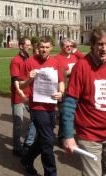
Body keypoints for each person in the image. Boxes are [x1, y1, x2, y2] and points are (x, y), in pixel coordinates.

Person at [62, 24, 106, 176]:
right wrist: (68, 136)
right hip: (89, 134)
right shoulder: (82, 66)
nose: (104, 48)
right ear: (92, 45)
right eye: (100, 44)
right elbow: (70, 103)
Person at [20, 36, 64, 176]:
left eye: (47, 47)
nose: (44, 50)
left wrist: (61, 92)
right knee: (48, 142)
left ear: (51, 47)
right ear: (37, 48)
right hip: (37, 107)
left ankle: (26, 158)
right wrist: (29, 78)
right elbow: (20, 85)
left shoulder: (55, 62)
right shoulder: (29, 62)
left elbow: (61, 81)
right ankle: (51, 173)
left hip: (51, 107)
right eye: (41, 47)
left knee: (43, 139)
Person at [9, 37, 36, 157]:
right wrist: (21, 94)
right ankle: (16, 147)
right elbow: (15, 80)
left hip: (30, 94)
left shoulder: (30, 59)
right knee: (18, 122)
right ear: (21, 46)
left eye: (30, 45)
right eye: (27, 45)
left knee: (36, 119)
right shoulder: (16, 60)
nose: (30, 47)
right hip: (19, 96)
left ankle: (28, 143)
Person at [54, 38, 77, 146]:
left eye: (71, 46)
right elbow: (58, 76)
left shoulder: (74, 57)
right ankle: (62, 138)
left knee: (72, 115)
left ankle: (69, 136)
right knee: (64, 114)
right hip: (63, 91)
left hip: (74, 90)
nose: (69, 48)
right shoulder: (57, 59)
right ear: (61, 47)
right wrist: (70, 72)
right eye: (67, 46)